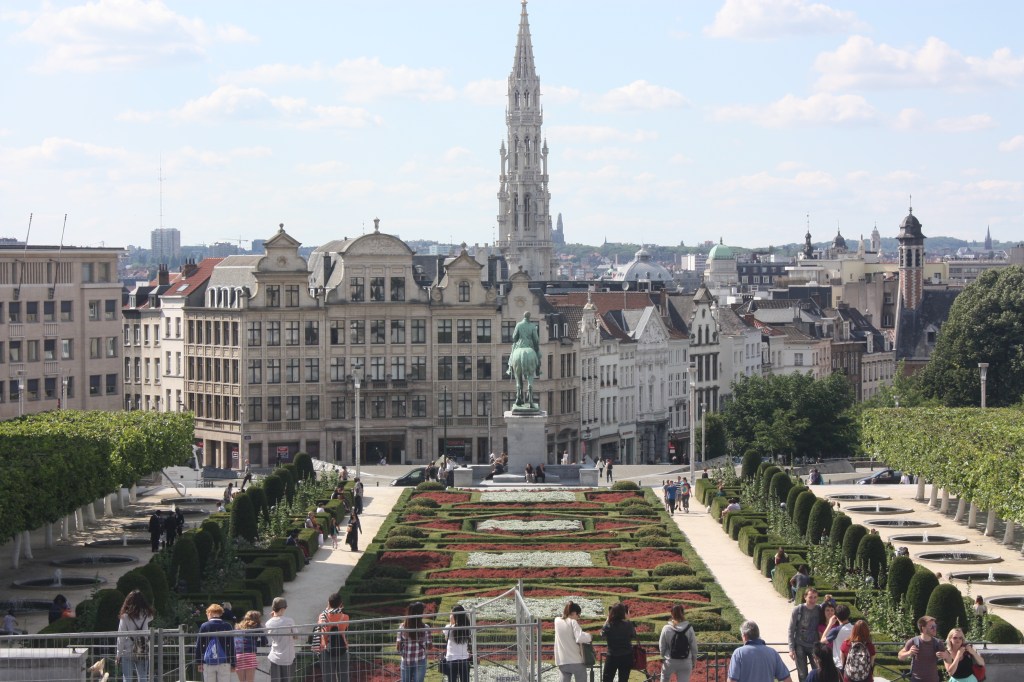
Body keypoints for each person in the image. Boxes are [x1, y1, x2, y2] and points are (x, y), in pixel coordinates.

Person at [727, 620, 792, 682]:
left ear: (745, 636)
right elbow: (787, 679)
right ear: (758, 634)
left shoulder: (738, 653)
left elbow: (732, 680)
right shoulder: (772, 652)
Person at [115, 590, 155, 682]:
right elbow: (152, 616)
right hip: (142, 650)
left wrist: (118, 654)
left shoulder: (125, 617)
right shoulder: (147, 615)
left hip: (128, 650)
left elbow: (121, 637)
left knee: (127, 679)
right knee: (143, 677)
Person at [898, 615, 950, 682]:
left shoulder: (938, 643)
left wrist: (946, 656)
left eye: (935, 626)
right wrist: (909, 653)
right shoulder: (913, 641)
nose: (935, 628)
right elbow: (900, 656)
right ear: (923, 628)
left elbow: (949, 660)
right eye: (932, 626)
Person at [788, 587, 822, 682]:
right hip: (800, 645)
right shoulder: (798, 610)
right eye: (810, 597)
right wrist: (791, 648)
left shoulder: (819, 609)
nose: (813, 600)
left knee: (818, 672)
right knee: (802, 674)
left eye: (815, 597)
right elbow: (791, 629)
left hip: (814, 646)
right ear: (805, 597)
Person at [554, 601, 592, 682]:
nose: (578, 617)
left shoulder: (557, 621)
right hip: (576, 660)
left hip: (562, 661)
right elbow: (579, 638)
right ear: (574, 613)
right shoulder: (573, 622)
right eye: (578, 615)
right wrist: (589, 636)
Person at [196, 603, 235, 682]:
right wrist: (233, 662)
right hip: (224, 661)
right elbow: (231, 645)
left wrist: (199, 662)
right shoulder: (227, 626)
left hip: (208, 661)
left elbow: (199, 645)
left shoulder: (204, 626)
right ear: (220, 614)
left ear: (209, 613)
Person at [659, 604, 697, 682]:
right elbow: (694, 647)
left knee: (664, 678)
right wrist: (693, 661)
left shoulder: (666, 628)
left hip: (670, 660)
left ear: (671, 614)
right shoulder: (689, 628)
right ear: (683, 613)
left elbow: (662, 646)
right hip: (685, 661)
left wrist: (663, 656)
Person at [317, 593, 350, 682]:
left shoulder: (322, 616)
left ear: (329, 603)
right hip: (342, 649)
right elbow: (346, 629)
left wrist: (328, 607)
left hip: (326, 649)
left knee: (328, 679)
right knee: (344, 678)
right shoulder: (345, 617)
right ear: (341, 603)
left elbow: (320, 625)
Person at [600, 602, 637, 682]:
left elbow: (602, 635)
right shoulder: (628, 625)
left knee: (607, 680)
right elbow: (634, 635)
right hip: (626, 656)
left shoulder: (609, 625)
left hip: (612, 656)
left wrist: (607, 619)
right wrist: (628, 619)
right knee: (623, 680)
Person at [265, 597, 298, 682]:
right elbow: (296, 636)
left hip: (274, 656)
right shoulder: (289, 621)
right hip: (287, 657)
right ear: (282, 609)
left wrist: (272, 618)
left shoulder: (268, 623)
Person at [397, 601, 431, 682]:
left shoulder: (402, 627)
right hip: (420, 659)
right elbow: (429, 646)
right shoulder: (426, 628)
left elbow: (398, 647)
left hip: (406, 660)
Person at [234, 610, 267, 682]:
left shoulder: (238, 626)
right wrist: (254, 643)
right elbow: (264, 641)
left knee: (242, 681)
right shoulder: (257, 626)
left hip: (238, 655)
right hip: (249, 655)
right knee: (250, 680)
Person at [443, 605, 471, 682]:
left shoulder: (448, 628)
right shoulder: (467, 628)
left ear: (454, 616)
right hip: (463, 658)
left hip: (451, 658)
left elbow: (446, 638)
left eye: (451, 614)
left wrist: (451, 623)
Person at [822, 604, 852, 669]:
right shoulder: (854, 628)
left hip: (839, 664)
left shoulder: (836, 630)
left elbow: (822, 641)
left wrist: (830, 624)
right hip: (852, 663)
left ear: (836, 616)